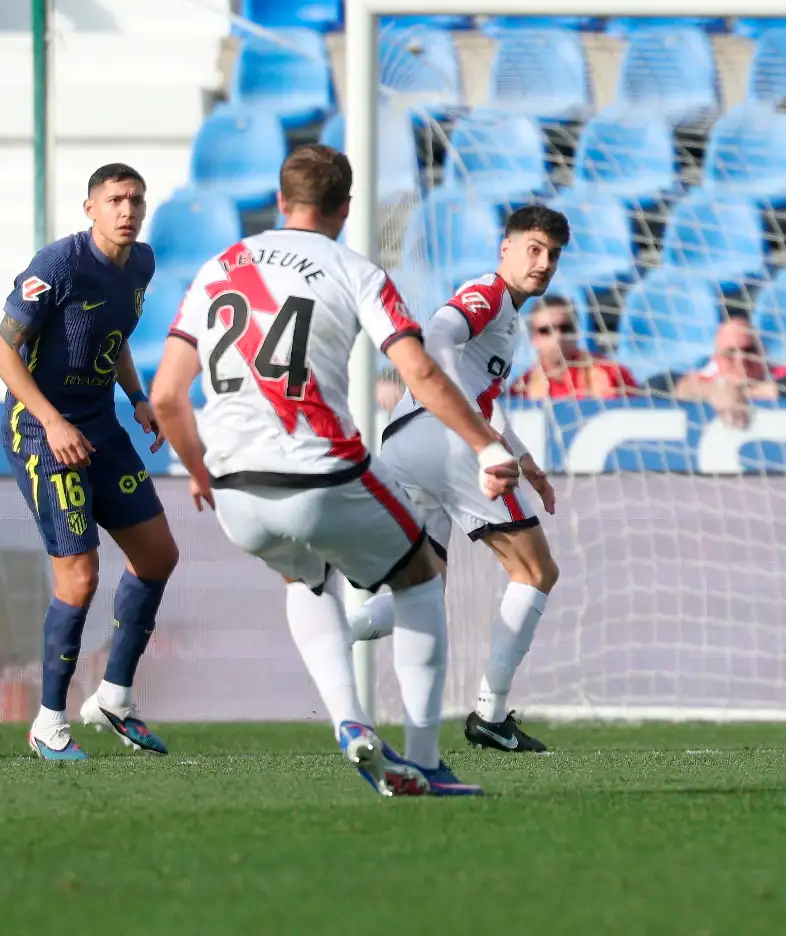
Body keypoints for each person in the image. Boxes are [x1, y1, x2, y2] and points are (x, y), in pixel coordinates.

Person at [149, 146, 519, 797]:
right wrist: (487, 447)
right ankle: (427, 760)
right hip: (317, 472)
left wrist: (200, 472)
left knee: (304, 576)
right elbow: (422, 372)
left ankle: (349, 722)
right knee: (421, 576)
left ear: (279, 197)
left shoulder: (218, 267)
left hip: (234, 489)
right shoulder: (354, 269)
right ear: (346, 209)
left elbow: (166, 397)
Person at [352, 206, 570, 755]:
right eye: (534, 249)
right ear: (507, 248)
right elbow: (439, 334)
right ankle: (491, 715)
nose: (543, 264)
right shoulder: (489, 293)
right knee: (535, 569)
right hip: (441, 436)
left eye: (553, 255)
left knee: (423, 591)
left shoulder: (509, 319)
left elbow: (485, 399)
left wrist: (524, 461)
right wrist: (469, 427)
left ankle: (330, 628)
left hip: (405, 440)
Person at [2, 165, 174, 760]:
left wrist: (138, 398)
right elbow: (4, 346)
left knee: (158, 554)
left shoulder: (141, 263)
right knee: (79, 575)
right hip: (41, 429)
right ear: (90, 208)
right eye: (115, 200)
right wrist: (51, 420)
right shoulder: (58, 264)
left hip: (100, 422)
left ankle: (114, 697)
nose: (127, 210)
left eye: (136, 200)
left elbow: (113, 333)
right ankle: (48, 722)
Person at [510, 294, 643, 399]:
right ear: (534, 338)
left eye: (565, 328)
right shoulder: (522, 388)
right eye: (546, 330)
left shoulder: (613, 373)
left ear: (577, 332)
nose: (558, 336)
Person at [674, 318, 786, 428]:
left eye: (749, 351)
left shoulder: (783, 375)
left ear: (762, 352)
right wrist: (713, 391)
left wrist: (737, 393)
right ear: (716, 358)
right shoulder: (703, 380)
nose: (741, 360)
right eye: (730, 353)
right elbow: (667, 385)